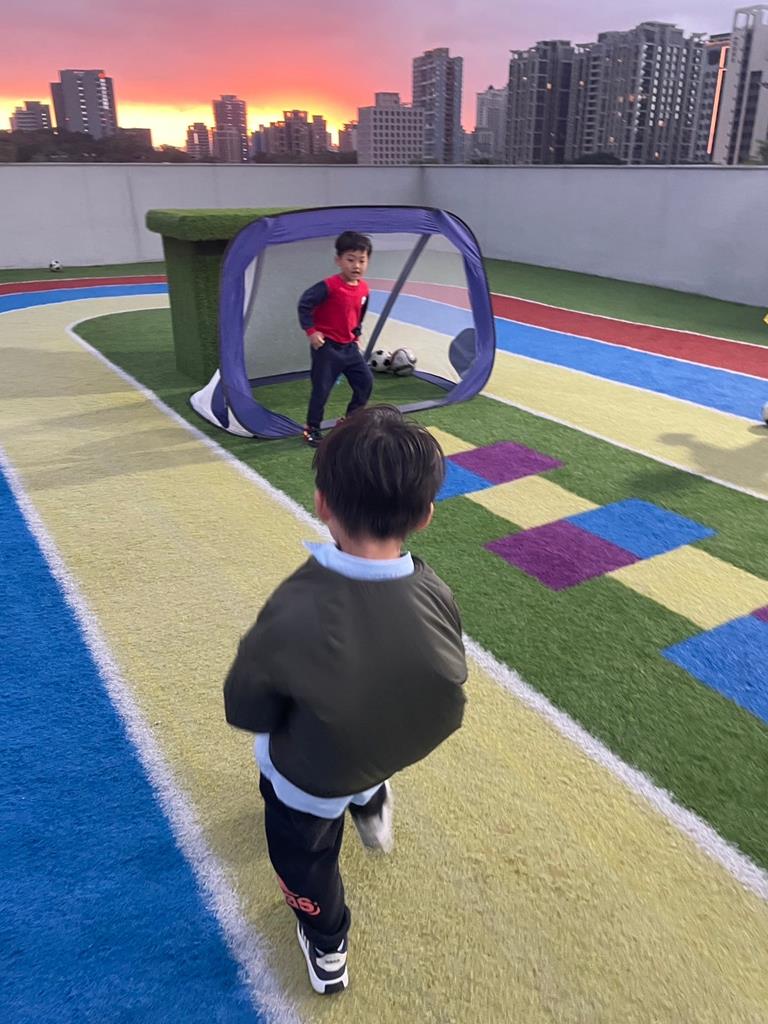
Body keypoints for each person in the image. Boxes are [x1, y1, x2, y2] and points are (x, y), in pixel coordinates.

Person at [223, 406, 467, 995]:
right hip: (391, 743)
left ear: (322, 503)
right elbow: (445, 676)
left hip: (309, 776)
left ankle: (327, 941)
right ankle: (370, 799)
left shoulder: (297, 603)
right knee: (362, 740)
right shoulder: (434, 589)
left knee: (302, 855)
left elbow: (246, 704)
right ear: (426, 515)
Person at [298, 231, 375, 448]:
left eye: (362, 260)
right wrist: (312, 331)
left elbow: (360, 311)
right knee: (321, 389)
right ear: (338, 260)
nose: (356, 265)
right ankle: (312, 428)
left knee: (365, 382)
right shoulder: (328, 286)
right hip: (327, 348)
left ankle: (350, 421)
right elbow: (304, 304)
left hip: (349, 348)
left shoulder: (364, 288)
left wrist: (356, 333)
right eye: (350, 260)